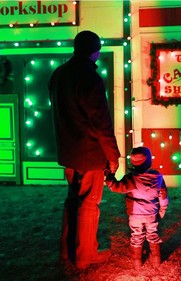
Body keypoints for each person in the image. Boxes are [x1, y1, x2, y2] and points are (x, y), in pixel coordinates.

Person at [49, 30, 121, 270]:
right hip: (89, 154)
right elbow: (101, 122)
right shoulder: (90, 78)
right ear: (95, 51)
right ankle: (85, 255)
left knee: (72, 202)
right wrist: (113, 156)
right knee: (89, 204)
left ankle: (67, 252)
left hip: (69, 152)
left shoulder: (59, 74)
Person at [105, 146, 169, 270]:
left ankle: (136, 261)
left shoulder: (131, 178)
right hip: (151, 213)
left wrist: (110, 174)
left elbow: (114, 186)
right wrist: (162, 210)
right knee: (153, 234)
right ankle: (156, 259)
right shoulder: (158, 177)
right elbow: (163, 196)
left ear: (133, 163)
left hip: (135, 214)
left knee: (137, 236)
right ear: (149, 161)